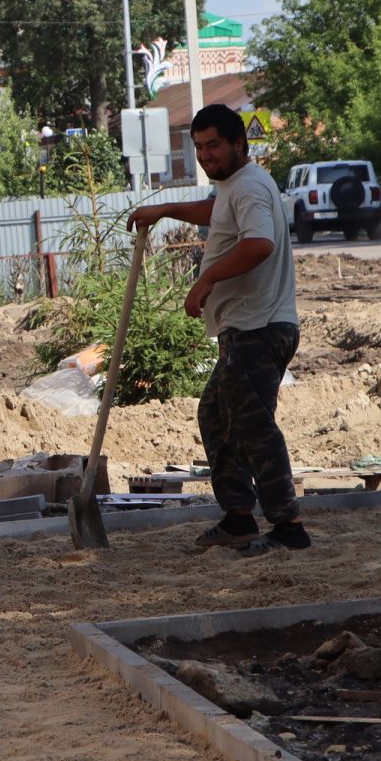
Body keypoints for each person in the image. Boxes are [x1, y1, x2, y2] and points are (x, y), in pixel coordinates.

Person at [128, 103, 308, 556]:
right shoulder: (236, 185)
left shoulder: (247, 188)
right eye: (200, 147)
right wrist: (166, 209)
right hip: (249, 327)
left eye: (214, 146)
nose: (206, 155)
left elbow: (258, 244)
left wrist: (206, 280)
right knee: (216, 416)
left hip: (258, 328)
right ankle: (238, 518)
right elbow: (216, 213)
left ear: (237, 144)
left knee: (253, 429)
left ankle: (288, 526)